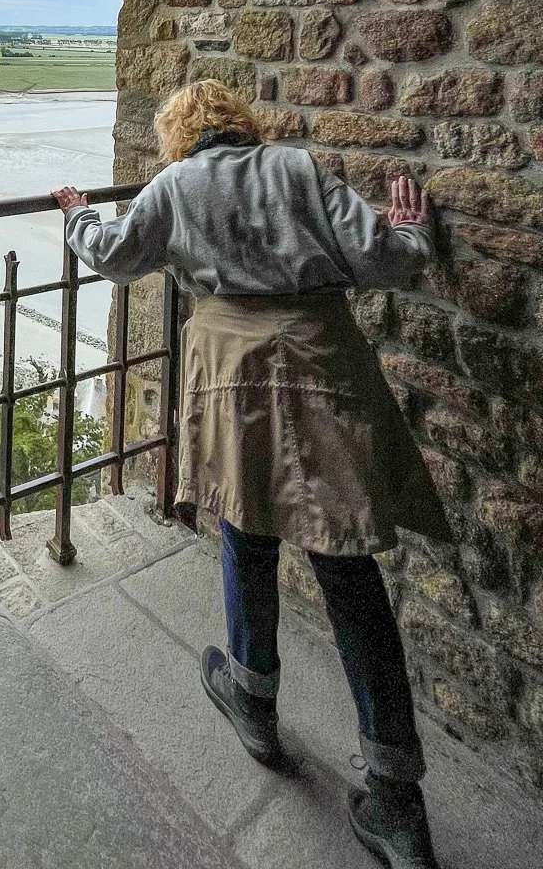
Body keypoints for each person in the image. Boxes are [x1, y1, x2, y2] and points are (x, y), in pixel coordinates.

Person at [52, 78, 450, 869]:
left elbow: (114, 256)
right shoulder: (297, 169)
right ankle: (397, 798)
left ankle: (253, 699)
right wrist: (412, 230)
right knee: (347, 567)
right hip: (320, 361)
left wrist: (78, 216)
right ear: (241, 124)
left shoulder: (173, 186)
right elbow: (384, 259)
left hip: (230, 368)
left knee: (246, 526)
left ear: (178, 137)